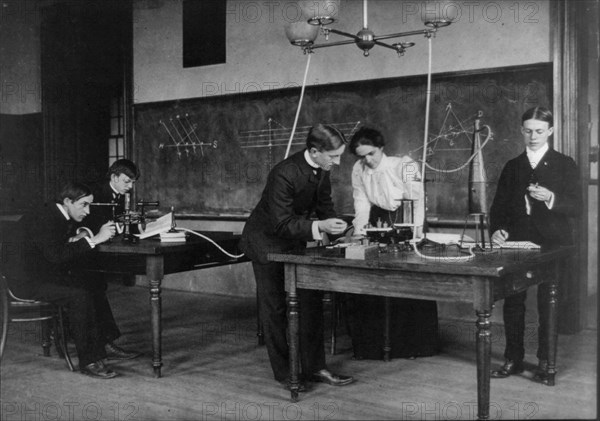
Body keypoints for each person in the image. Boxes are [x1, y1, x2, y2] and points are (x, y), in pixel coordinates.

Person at [240, 124, 354, 391]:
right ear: (314, 152)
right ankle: (285, 373)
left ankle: (316, 368)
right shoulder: (284, 173)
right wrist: (319, 228)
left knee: (310, 302)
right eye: (333, 157)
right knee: (276, 310)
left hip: (293, 242)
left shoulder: (322, 170)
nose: (337, 163)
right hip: (266, 242)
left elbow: (325, 209)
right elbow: (281, 223)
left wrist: (340, 230)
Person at [489, 107, 581, 384]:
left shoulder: (565, 164)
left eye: (539, 131)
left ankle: (545, 361)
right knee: (513, 300)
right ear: (521, 131)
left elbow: (577, 206)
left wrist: (552, 197)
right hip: (518, 243)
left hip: (553, 243)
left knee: (548, 303)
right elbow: (499, 209)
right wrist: (498, 231)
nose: (533, 136)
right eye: (527, 130)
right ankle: (513, 358)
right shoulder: (512, 166)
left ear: (550, 131)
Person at [8, 182, 124, 378]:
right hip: (26, 282)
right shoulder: (46, 217)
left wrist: (80, 236)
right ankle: (90, 361)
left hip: (39, 274)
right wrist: (95, 239)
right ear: (68, 201)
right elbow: (56, 256)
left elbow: (51, 249)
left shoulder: (54, 213)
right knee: (79, 295)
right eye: (84, 205)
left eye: (90, 205)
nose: (87, 211)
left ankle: (103, 343)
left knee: (91, 283)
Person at [347, 126, 439, 360]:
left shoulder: (406, 165)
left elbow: (417, 198)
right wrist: (360, 232)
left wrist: (416, 232)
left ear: (381, 148)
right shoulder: (358, 169)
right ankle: (373, 346)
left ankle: (414, 346)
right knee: (375, 279)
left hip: (408, 219)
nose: (367, 160)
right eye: (362, 156)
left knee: (407, 281)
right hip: (380, 222)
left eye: (371, 154)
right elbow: (361, 202)